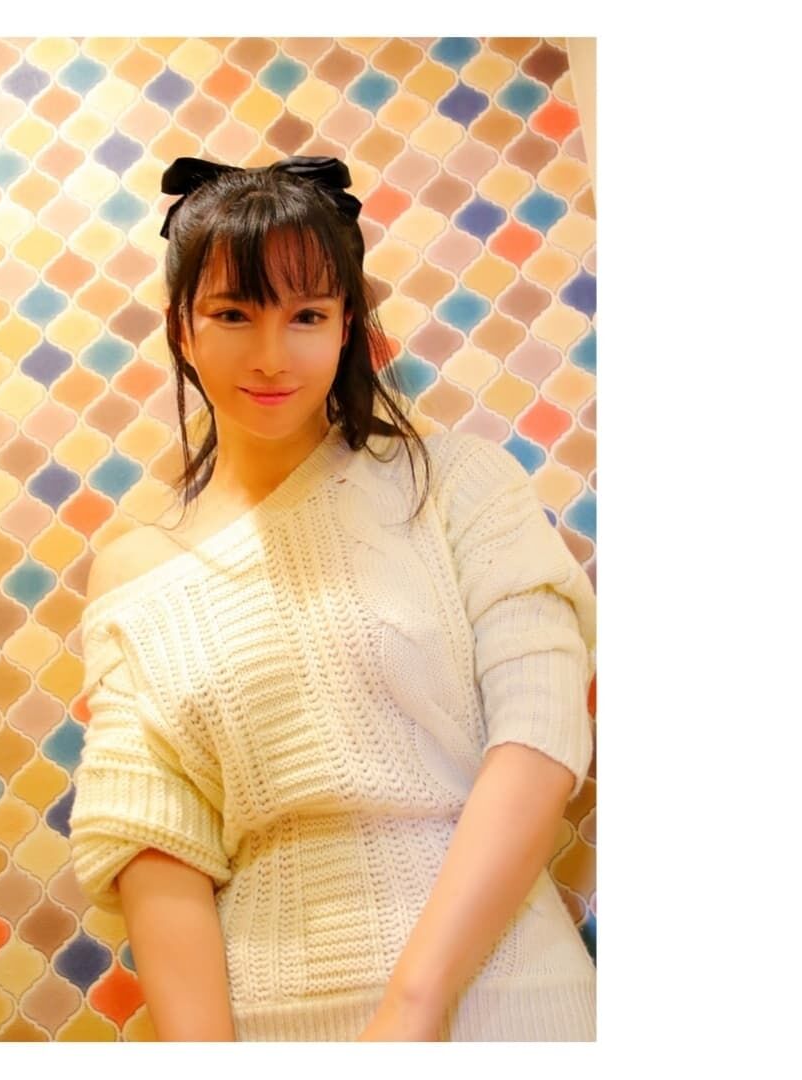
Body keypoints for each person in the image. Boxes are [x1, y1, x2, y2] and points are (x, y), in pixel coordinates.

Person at [68, 155, 597, 1042]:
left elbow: (540, 733)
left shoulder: (459, 483)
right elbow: (150, 838)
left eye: (307, 315)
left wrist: (411, 1009)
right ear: (181, 329)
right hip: (266, 1023)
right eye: (233, 314)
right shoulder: (134, 566)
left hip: (507, 1000)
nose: (271, 355)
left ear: (347, 324)